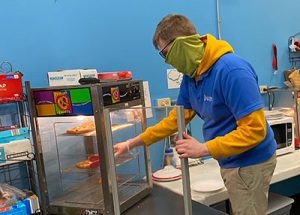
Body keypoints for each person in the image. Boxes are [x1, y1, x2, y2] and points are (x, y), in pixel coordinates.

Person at [114, 14, 277, 215]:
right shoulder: (193, 75)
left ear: (180, 44)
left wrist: (202, 148)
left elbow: (255, 131)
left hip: (251, 163)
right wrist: (132, 143)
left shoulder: (232, 70)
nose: (166, 62)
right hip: (229, 159)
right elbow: (175, 120)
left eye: (165, 53)